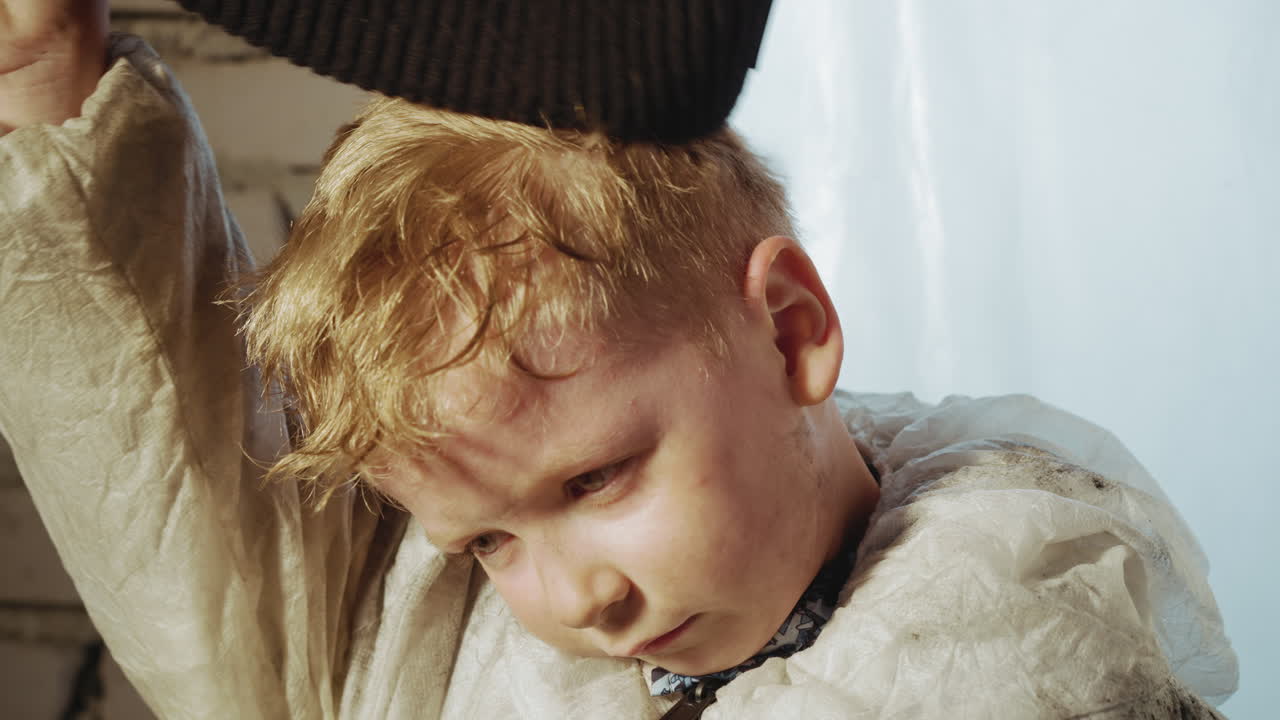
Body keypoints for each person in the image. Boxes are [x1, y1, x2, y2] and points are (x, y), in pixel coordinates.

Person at [0, 3, 1236, 718]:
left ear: (790, 331)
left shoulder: (1013, 624)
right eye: (486, 542)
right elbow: (202, 528)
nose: (573, 600)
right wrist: (42, 86)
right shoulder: (448, 649)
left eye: (593, 483)